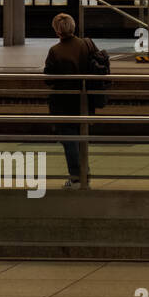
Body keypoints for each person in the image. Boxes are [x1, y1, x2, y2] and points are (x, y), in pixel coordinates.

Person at [43, 13, 93, 190]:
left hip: (63, 100)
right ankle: (84, 172)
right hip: (85, 99)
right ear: (73, 26)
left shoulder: (55, 51)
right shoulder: (86, 45)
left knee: (68, 138)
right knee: (81, 136)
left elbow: (48, 78)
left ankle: (76, 177)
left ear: (57, 30)